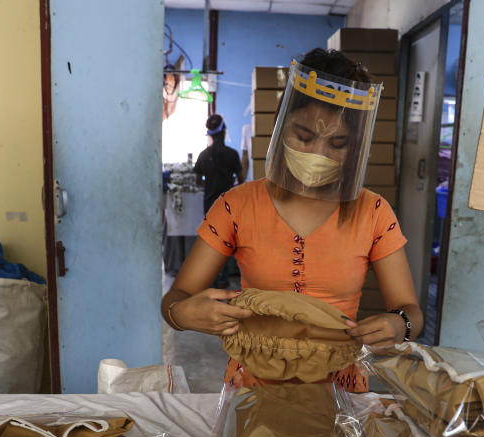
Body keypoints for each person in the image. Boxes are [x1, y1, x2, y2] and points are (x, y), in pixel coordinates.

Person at [161, 48, 423, 392]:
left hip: (339, 388)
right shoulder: (237, 205)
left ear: (356, 148)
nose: (319, 153)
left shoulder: (372, 212)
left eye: (338, 143)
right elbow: (175, 297)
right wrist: (183, 314)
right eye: (304, 136)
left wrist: (399, 324)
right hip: (252, 383)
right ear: (282, 128)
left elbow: (411, 312)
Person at [193, 114, 245, 214]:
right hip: (229, 206)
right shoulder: (232, 154)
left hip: (210, 207)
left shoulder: (203, 155)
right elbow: (241, 179)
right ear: (224, 130)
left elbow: (198, 182)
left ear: (210, 134)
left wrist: (211, 186)